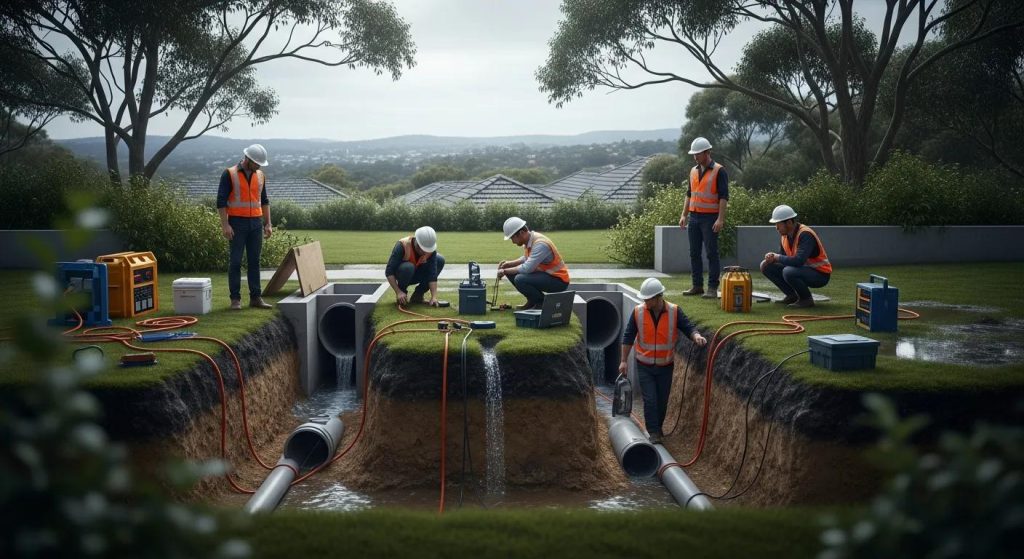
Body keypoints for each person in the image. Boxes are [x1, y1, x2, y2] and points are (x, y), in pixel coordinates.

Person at [618, 278, 707, 444]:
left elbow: (688, 327)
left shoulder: (674, 311)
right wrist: (623, 361)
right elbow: (628, 336)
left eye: (648, 298)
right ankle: (653, 433)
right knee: (650, 400)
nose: (645, 301)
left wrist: (696, 336)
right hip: (644, 365)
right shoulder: (638, 312)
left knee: (662, 401)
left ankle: (657, 428)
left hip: (666, 366)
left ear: (658, 297)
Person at [217, 144, 273, 310]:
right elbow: (221, 201)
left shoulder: (261, 175)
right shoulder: (229, 174)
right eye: (257, 163)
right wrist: (225, 224)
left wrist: (268, 223)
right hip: (237, 223)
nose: (259, 166)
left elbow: (264, 201)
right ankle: (235, 299)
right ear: (248, 159)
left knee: (254, 261)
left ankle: (256, 298)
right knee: (235, 261)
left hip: (256, 223)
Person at [678, 136, 728, 299]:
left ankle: (712, 288)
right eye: (694, 154)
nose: (695, 157)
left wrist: (720, 219)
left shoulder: (719, 171)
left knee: (711, 253)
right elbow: (689, 194)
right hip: (694, 217)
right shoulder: (693, 171)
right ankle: (697, 286)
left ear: (707, 152)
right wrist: (684, 214)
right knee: (694, 253)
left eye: (698, 153)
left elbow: (723, 197)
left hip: (710, 218)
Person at [760, 204, 832, 308]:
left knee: (788, 271)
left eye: (778, 224)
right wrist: (771, 258)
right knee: (766, 265)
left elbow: (799, 261)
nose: (776, 228)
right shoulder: (784, 236)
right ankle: (791, 295)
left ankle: (806, 299)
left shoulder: (805, 234)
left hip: (820, 275)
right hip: (802, 270)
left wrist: (777, 257)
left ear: (789, 223)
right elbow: (784, 259)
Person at [496, 216, 570, 311]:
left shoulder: (540, 244)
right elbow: (527, 258)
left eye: (512, 238)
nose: (513, 242)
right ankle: (532, 301)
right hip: (548, 276)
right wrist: (510, 264)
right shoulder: (530, 240)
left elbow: (527, 268)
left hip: (558, 280)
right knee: (513, 273)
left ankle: (541, 303)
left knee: (520, 279)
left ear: (521, 233)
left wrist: (504, 271)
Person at [385, 226, 445, 306]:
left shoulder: (430, 250)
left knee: (440, 260)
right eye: (423, 248)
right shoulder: (403, 245)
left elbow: (432, 274)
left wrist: (434, 297)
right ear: (417, 241)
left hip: (418, 274)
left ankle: (418, 296)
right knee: (408, 267)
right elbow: (389, 271)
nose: (425, 252)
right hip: (403, 274)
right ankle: (402, 297)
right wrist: (398, 292)